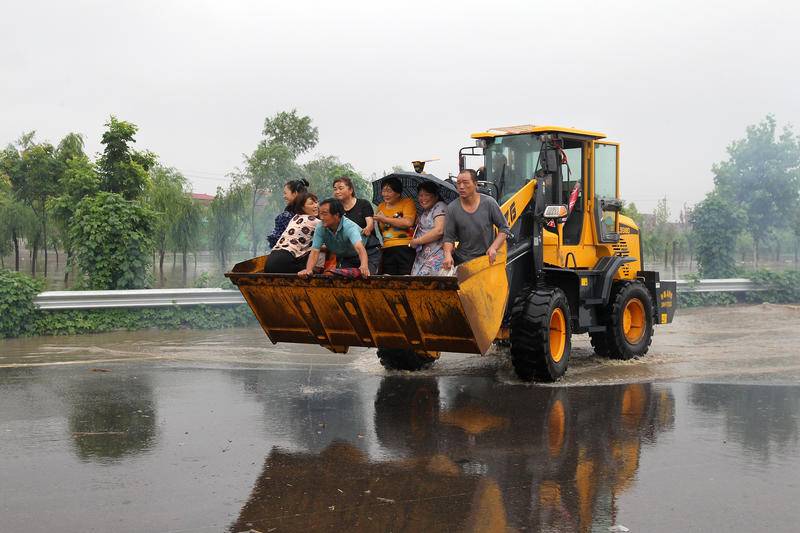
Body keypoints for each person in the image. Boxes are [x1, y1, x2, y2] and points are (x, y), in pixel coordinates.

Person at [442, 169, 511, 270]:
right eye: (458, 183)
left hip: (486, 260)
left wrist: (493, 248)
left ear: (475, 184)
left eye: (465, 183)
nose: (461, 187)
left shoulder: (489, 203)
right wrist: (447, 254)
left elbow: (504, 228)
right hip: (462, 261)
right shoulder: (452, 208)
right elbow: (449, 237)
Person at [298, 199, 371, 278]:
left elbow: (360, 248)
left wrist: (364, 266)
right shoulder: (320, 227)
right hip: (347, 257)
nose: (321, 217)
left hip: (368, 252)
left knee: (366, 276)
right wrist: (308, 270)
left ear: (336, 215)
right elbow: (315, 251)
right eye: (320, 214)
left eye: (325, 214)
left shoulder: (349, 226)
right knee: (343, 278)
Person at [332, 175, 381, 275]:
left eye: (341, 188)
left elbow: (370, 222)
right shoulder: (336, 210)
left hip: (368, 248)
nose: (337, 191)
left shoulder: (363, 204)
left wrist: (367, 228)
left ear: (350, 190)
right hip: (347, 252)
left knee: (366, 276)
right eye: (335, 189)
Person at [265, 193, 320, 273]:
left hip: (270, 262)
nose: (316, 206)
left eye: (316, 202)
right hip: (285, 262)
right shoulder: (315, 221)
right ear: (302, 207)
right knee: (314, 271)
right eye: (311, 203)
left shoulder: (295, 218)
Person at [374, 176, 417, 275]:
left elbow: (408, 223)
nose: (385, 194)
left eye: (389, 191)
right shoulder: (381, 206)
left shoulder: (407, 202)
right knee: (388, 278)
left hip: (405, 247)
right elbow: (381, 229)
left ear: (398, 193)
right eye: (383, 191)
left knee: (406, 277)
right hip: (387, 248)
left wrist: (385, 219)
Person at [409, 181, 447, 276]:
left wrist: (417, 241)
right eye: (420, 195)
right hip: (422, 256)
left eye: (427, 195)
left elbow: (439, 230)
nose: (423, 199)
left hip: (436, 254)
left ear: (435, 196)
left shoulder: (440, 206)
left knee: (427, 285)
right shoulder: (424, 212)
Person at [266, 178, 309, 250]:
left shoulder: (286, 216)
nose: (284, 196)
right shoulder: (311, 215)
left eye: (285, 193)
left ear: (295, 193)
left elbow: (274, 241)